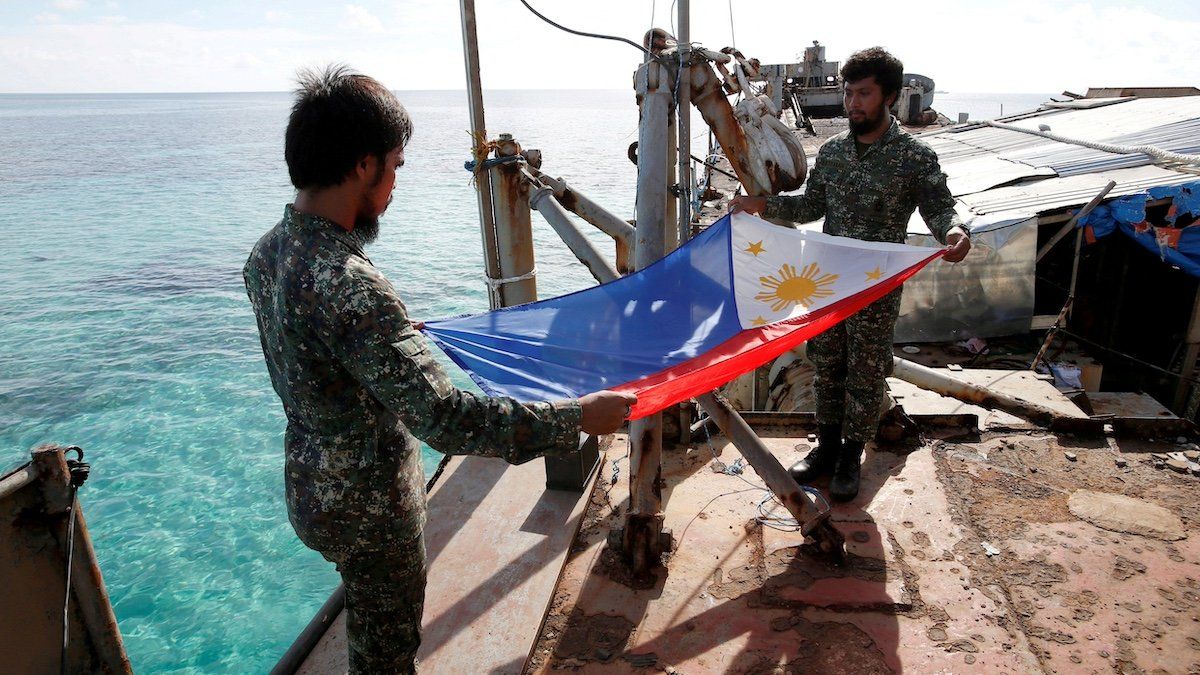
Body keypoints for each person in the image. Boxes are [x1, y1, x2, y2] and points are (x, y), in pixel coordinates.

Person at [242, 65, 635, 673]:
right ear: (363, 165)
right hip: (371, 511)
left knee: (370, 633)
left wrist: (389, 347)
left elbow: (319, 356)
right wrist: (577, 417)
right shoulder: (351, 287)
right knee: (385, 656)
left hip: (313, 490)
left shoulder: (268, 254)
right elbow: (447, 420)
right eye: (395, 167)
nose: (396, 186)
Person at [729, 47, 970, 503]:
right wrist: (761, 206)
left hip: (876, 288)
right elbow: (812, 206)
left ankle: (849, 457)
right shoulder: (835, 153)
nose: (852, 103)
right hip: (830, 284)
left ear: (889, 97)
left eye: (863, 94)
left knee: (865, 372)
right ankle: (825, 448)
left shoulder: (912, 158)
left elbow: (940, 207)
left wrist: (954, 232)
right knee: (827, 366)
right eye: (848, 92)